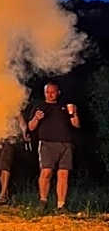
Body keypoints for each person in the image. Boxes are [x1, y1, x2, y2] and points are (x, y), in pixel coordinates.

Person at [27, 82, 80, 212]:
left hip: (65, 144)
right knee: (46, 172)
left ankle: (61, 205)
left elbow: (76, 125)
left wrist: (73, 114)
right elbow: (31, 127)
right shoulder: (39, 106)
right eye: (47, 92)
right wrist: (36, 118)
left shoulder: (65, 106)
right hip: (47, 144)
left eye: (53, 92)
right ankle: (43, 202)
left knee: (63, 174)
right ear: (44, 93)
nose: (50, 95)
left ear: (58, 92)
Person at [0, 113, 30, 205]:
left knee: (5, 164)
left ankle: (3, 194)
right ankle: (6, 193)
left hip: (10, 138)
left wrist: (24, 133)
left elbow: (21, 120)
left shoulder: (12, 104)